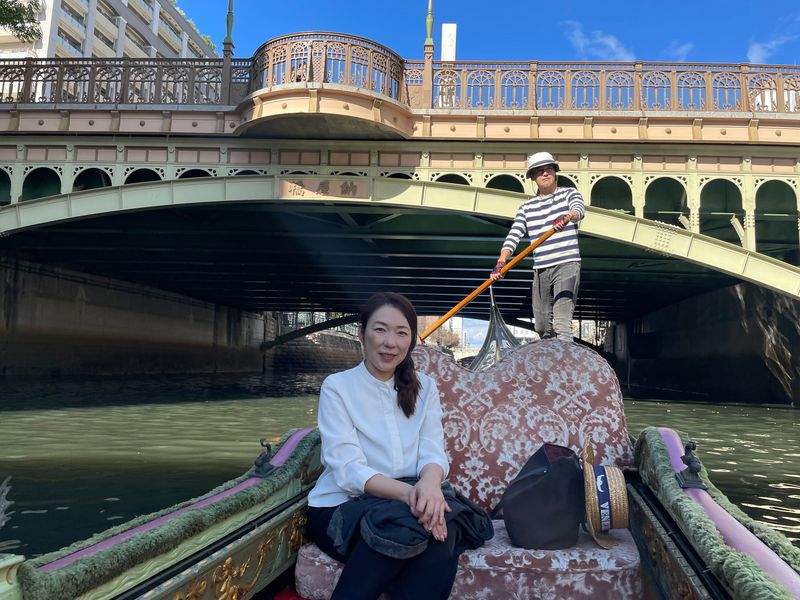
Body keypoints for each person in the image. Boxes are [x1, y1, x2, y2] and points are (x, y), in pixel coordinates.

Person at [306, 292, 492, 600]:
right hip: (341, 505)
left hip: (409, 502)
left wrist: (430, 486)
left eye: (401, 332)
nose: (390, 342)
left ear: (411, 341)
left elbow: (433, 450)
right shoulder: (337, 388)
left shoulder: (426, 388)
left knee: (438, 526)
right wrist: (412, 495)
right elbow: (348, 469)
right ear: (361, 332)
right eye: (380, 329)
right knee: (417, 526)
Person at [490, 151, 585, 342]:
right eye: (539, 171)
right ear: (533, 177)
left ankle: (564, 366)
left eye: (548, 169)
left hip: (567, 265)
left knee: (561, 324)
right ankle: (552, 356)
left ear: (555, 172)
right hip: (541, 268)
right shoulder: (527, 207)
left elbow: (578, 210)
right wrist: (501, 261)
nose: (545, 174)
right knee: (541, 325)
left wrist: (567, 217)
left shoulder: (569, 193)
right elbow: (514, 235)